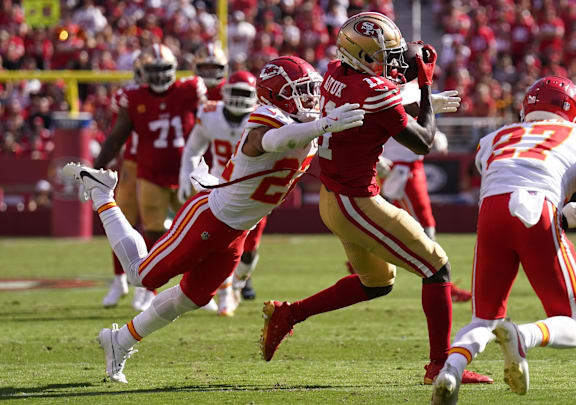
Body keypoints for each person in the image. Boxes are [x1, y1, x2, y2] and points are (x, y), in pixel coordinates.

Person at [62, 56, 365, 384]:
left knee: (192, 297)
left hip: (238, 230)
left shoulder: (304, 119)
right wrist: (323, 124)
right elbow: (279, 141)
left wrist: (423, 100)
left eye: (311, 89)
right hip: (210, 218)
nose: (311, 98)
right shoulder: (267, 118)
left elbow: (361, 112)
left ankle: (119, 341)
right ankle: (103, 194)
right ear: (277, 93)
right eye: (301, 90)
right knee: (141, 276)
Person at [260, 12, 492, 385]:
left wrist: (412, 80)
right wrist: (426, 90)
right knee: (437, 267)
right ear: (360, 56)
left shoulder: (336, 70)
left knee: (376, 283)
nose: (390, 63)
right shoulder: (372, 88)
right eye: (379, 56)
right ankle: (440, 367)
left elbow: (375, 99)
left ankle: (288, 314)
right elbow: (423, 140)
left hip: (334, 198)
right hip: (356, 201)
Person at [430, 76, 576, 403]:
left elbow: (509, 184)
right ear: (575, 111)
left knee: (483, 318)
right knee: (574, 324)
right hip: (538, 207)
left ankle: (451, 370)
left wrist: (562, 217)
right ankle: (522, 336)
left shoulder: (495, 137)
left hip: (490, 213)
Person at [93, 44, 207, 312]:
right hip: (147, 170)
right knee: (148, 228)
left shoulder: (190, 89)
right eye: (152, 71)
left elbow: (212, 121)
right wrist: (96, 168)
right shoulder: (132, 97)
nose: (158, 77)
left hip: (187, 170)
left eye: (163, 70)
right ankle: (146, 285)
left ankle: (209, 286)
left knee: (203, 228)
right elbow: (115, 138)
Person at [380, 80, 471, 302]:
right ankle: (441, 282)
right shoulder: (379, 88)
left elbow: (418, 115)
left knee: (416, 225)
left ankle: (362, 263)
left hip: (413, 164)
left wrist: (434, 132)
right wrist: (376, 157)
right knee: (421, 227)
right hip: (397, 167)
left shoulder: (412, 86)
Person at [178, 70, 258, 316]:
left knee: (249, 249)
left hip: (253, 190)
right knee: (215, 243)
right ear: (224, 93)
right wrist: (186, 176)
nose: (238, 98)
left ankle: (238, 285)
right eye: (234, 92)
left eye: (244, 93)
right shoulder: (210, 114)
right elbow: (193, 148)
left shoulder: (262, 118)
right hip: (218, 184)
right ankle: (221, 292)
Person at [102, 53, 148, 310]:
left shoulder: (174, 94)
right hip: (132, 162)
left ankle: (149, 287)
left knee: (159, 226)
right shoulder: (128, 97)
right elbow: (117, 132)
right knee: (122, 222)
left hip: (163, 165)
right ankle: (119, 279)